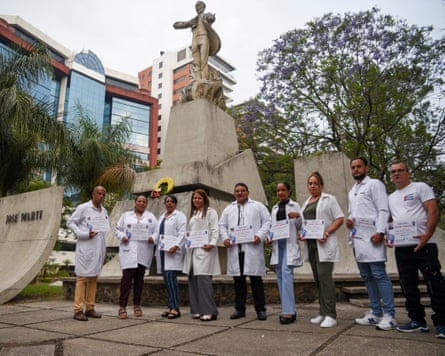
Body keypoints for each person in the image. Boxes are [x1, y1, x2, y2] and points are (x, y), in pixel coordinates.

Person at [387, 162, 445, 338]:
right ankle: (417, 320)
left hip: (424, 245)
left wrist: (427, 235)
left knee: (434, 283)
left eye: (400, 171)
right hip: (402, 247)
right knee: (407, 284)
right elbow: (391, 221)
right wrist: (388, 236)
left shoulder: (420, 187)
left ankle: (442, 322)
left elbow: (433, 211)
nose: (396, 174)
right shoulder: (391, 197)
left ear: (408, 173)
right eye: (393, 172)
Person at [346, 157, 397, 331]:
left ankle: (389, 315)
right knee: (367, 276)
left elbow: (383, 209)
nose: (355, 170)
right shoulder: (352, 190)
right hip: (358, 240)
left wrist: (381, 231)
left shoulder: (375, 184)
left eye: (358, 166)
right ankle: (375, 312)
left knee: (379, 274)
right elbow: (354, 212)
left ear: (366, 167)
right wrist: (350, 221)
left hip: (373, 237)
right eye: (353, 167)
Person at [219, 182, 271, 321]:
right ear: (234, 193)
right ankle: (239, 309)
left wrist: (259, 235)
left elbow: (267, 221)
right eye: (237, 191)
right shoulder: (229, 209)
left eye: (242, 190)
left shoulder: (258, 206)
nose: (240, 193)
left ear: (248, 192)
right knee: (238, 281)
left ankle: (260, 309)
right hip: (236, 249)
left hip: (252, 248)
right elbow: (222, 225)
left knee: (256, 280)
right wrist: (225, 238)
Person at [299, 172, 344, 328]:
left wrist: (327, 232)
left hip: (324, 243)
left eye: (315, 183)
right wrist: (302, 234)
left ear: (321, 185)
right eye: (310, 183)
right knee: (318, 279)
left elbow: (339, 218)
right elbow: (305, 224)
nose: (312, 186)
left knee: (325, 278)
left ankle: (331, 314)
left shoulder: (329, 199)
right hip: (311, 245)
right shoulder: (306, 203)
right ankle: (322, 312)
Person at [67, 186, 108, 321]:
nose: (101, 196)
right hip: (86, 247)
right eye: (98, 193)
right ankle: (78, 310)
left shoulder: (104, 211)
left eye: (103, 194)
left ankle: (90, 308)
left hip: (98, 249)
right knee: (82, 278)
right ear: (93, 194)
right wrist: (84, 234)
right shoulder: (83, 207)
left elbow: (103, 231)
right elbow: (71, 222)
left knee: (93, 278)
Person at [114, 195, 158, 319]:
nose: (141, 203)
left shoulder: (151, 217)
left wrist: (153, 238)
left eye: (144, 201)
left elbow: (157, 232)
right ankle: (122, 307)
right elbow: (117, 229)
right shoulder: (126, 216)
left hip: (143, 252)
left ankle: (137, 305)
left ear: (146, 204)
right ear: (135, 203)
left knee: (139, 281)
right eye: (139, 201)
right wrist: (122, 236)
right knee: (126, 280)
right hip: (129, 251)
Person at [267, 182, 303, 324]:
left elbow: (301, 225)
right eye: (278, 190)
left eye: (283, 190)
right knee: (280, 275)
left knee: (287, 274)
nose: (280, 193)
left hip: (289, 243)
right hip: (278, 243)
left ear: (289, 192)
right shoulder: (274, 208)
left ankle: (288, 312)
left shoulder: (295, 206)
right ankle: (289, 309)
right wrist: (269, 237)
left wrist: (298, 217)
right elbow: (272, 226)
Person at [183, 189, 221, 321]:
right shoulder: (193, 214)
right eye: (194, 198)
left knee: (204, 280)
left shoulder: (210, 212)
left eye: (199, 198)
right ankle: (197, 309)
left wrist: (212, 243)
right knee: (193, 279)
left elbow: (215, 229)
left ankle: (210, 311)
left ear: (204, 199)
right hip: (193, 250)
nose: (196, 200)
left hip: (205, 249)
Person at [156, 194, 187, 319]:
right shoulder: (162, 217)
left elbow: (183, 233)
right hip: (163, 252)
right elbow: (157, 234)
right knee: (166, 280)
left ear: (175, 203)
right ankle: (170, 306)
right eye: (167, 201)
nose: (169, 203)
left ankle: (175, 308)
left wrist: (177, 245)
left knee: (171, 279)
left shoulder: (180, 216)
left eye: (171, 201)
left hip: (172, 251)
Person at [173, 1, 220, 81]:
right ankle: (198, 80)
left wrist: (210, 17)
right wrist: (190, 22)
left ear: (203, 7)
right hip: (194, 41)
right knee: (197, 63)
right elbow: (176, 25)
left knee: (203, 62)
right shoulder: (193, 20)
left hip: (204, 38)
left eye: (199, 6)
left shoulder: (206, 16)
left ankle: (204, 79)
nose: (198, 8)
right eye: (196, 6)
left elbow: (211, 19)